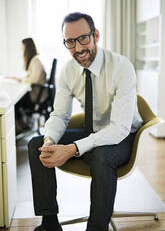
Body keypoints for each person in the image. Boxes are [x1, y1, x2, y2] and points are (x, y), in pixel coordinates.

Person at [28, 12, 142, 231]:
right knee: (36, 145)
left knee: (102, 154)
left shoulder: (121, 67)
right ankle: (49, 224)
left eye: (83, 38)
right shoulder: (68, 71)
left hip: (123, 137)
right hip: (92, 131)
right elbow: (60, 115)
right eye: (70, 41)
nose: (78, 48)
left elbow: (118, 128)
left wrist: (71, 149)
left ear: (95, 35)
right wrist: (50, 140)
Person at [14, 38, 48, 133]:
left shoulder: (36, 60)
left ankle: (20, 126)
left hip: (38, 97)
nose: (21, 50)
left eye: (23, 47)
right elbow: (30, 77)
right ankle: (22, 124)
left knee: (14, 103)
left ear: (27, 48)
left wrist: (20, 80)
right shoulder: (36, 59)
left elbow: (33, 79)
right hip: (38, 94)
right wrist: (17, 79)